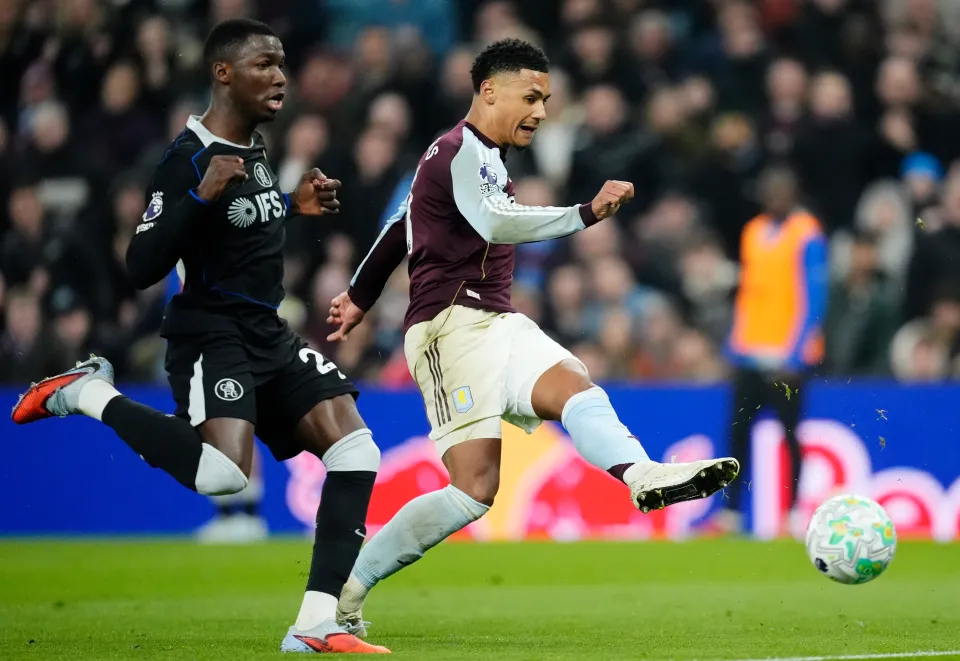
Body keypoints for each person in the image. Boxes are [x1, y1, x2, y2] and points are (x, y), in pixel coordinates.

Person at [325, 38, 740, 636]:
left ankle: (640, 475)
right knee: (473, 491)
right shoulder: (456, 152)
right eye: (531, 96)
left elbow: (400, 226)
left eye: (545, 100)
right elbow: (491, 222)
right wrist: (585, 213)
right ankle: (347, 593)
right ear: (488, 91)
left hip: (498, 321)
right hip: (447, 330)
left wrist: (359, 297)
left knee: (575, 386)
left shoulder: (482, 159)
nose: (541, 112)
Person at [11, 19, 389, 655]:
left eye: (281, 64)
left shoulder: (255, 144)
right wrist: (196, 195)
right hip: (211, 335)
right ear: (224, 73)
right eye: (264, 64)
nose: (279, 76)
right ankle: (85, 394)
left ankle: (315, 625)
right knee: (222, 477)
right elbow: (139, 266)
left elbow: (242, 232)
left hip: (266, 330)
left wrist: (293, 206)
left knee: (357, 453)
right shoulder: (185, 159)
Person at [718, 164, 827, 537]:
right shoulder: (753, 231)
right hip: (750, 352)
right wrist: (733, 345)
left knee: (790, 434)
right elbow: (748, 293)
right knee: (737, 433)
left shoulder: (807, 233)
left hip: (787, 358)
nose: (775, 198)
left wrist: (797, 354)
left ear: (793, 194)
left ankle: (794, 513)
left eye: (782, 191)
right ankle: (731, 512)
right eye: (770, 192)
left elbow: (815, 296)